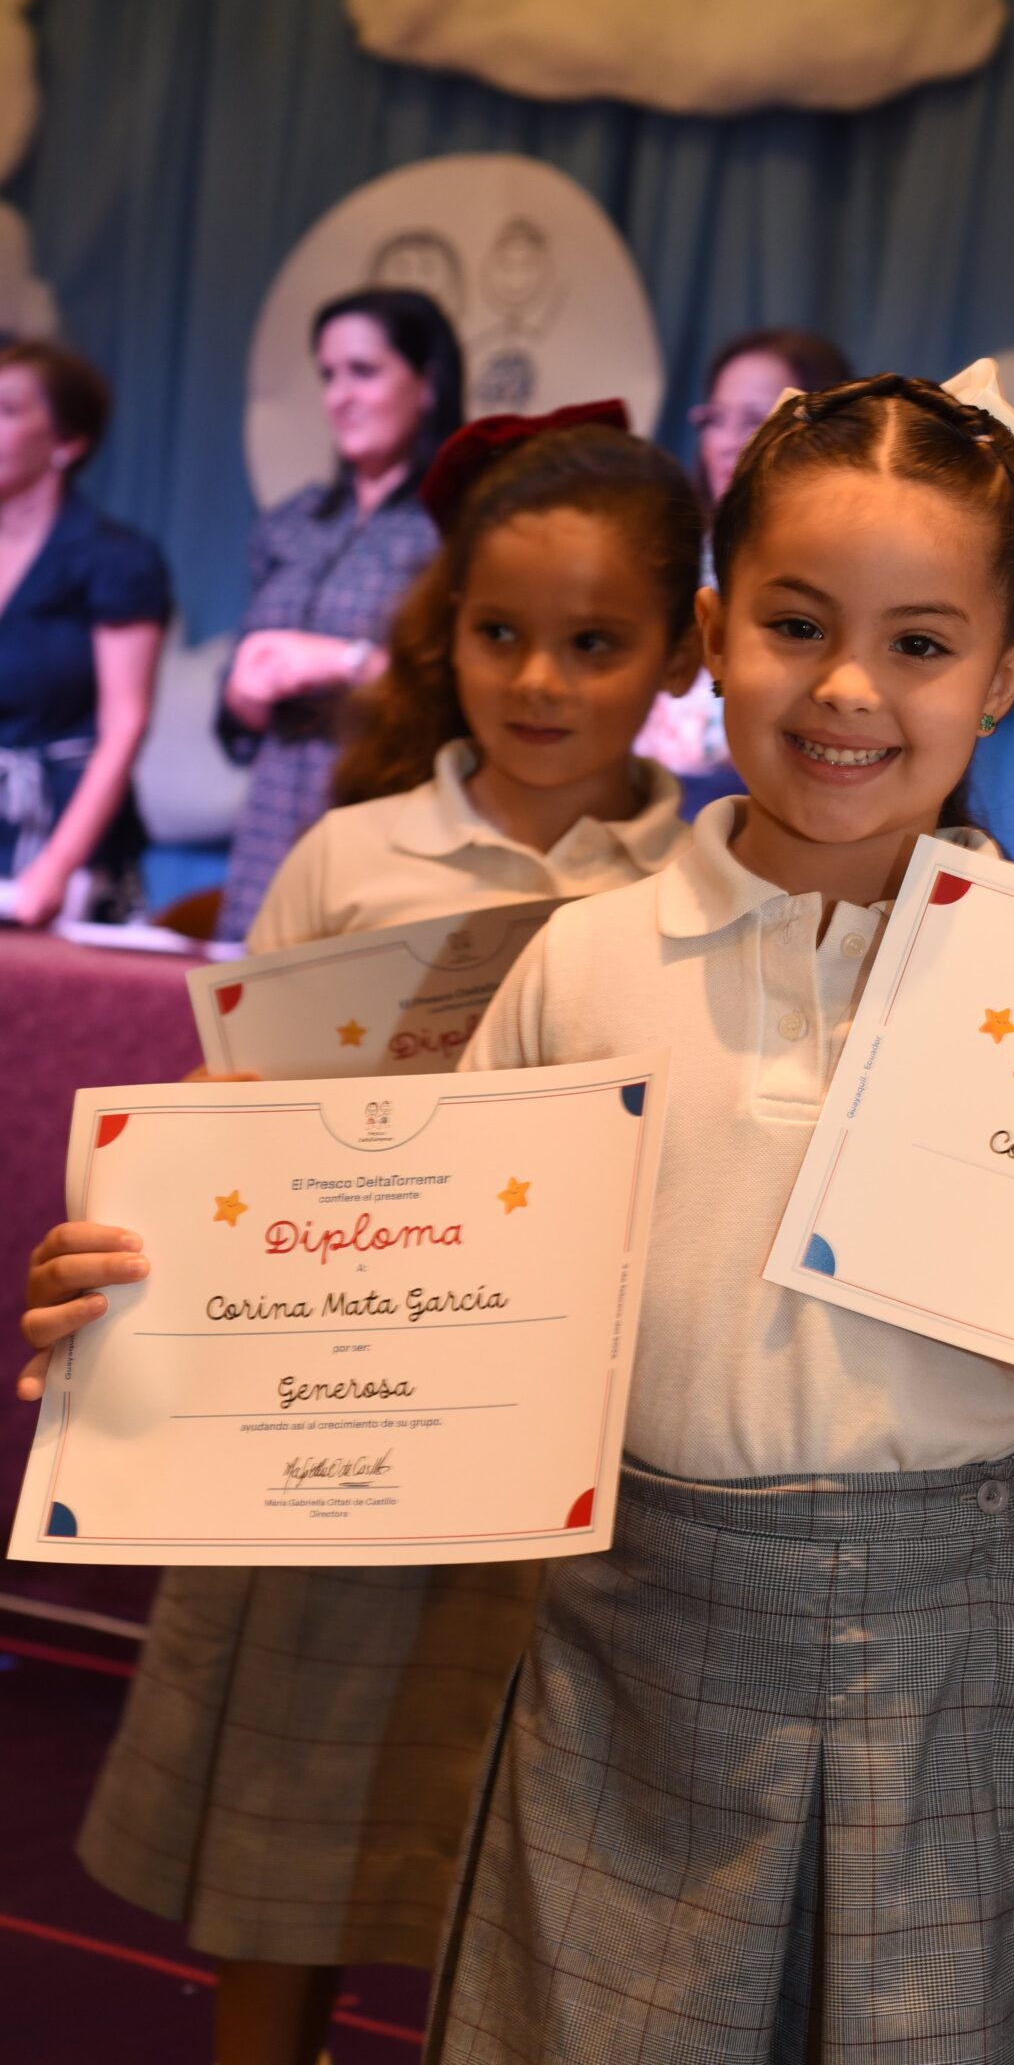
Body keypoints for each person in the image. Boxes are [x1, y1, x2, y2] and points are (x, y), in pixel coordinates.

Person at [23, 368, 1014, 2062]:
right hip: (619, 1671)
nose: (847, 687)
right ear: (711, 637)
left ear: (1003, 680)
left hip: (957, 1670)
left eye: (919, 644)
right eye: (793, 624)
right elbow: (413, 1297)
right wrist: (167, 1292)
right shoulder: (579, 964)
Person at [23, 405, 701, 2065]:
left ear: (680, 652)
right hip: (323, 1449)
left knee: (516, 1865)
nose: (538, 682)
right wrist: (163, 1192)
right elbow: (228, 1124)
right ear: (443, 630)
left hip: (553, 1466)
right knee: (287, 1846)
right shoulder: (350, 852)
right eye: (499, 633)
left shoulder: (699, 883)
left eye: (594, 644)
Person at [215, 285, 464, 943]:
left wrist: (343, 662)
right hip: (270, 827)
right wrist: (245, 688)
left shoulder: (455, 524)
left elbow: (463, 696)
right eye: (328, 376)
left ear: (427, 383)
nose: (339, 397)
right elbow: (234, 712)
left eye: (363, 371)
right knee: (246, 1002)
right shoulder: (294, 524)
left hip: (383, 821)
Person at [637, 325, 850, 793]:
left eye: (753, 420)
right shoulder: (667, 552)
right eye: (715, 419)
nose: (727, 441)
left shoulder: (844, 577)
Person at [0, 339, 170, 925]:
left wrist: (56, 866)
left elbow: (124, 725)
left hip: (63, 836)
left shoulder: (113, 559)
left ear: (66, 443)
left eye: (6, 409)